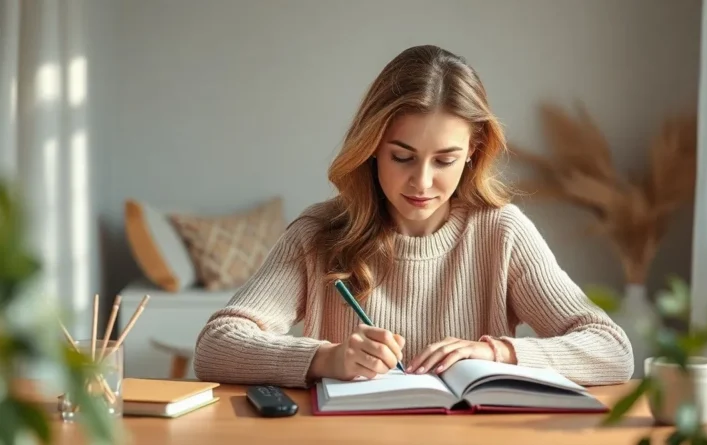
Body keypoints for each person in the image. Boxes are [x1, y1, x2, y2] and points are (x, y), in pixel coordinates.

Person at [193, 44, 634, 389]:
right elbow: (215, 346)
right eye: (402, 156)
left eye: (445, 160)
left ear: (473, 153)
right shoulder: (319, 233)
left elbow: (612, 350)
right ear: (372, 149)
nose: (422, 183)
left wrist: (498, 354)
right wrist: (326, 359)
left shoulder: (502, 233)